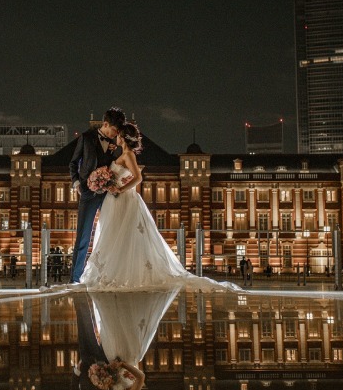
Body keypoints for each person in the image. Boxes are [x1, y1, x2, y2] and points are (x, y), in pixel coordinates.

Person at [79, 122, 241, 292]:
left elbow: (138, 178)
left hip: (123, 199)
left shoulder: (129, 155)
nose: (116, 137)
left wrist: (119, 188)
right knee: (115, 236)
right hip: (115, 200)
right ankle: (112, 273)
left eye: (118, 135)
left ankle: (119, 274)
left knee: (123, 236)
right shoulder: (122, 153)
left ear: (124, 137)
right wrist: (106, 182)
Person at [69, 107, 127, 283]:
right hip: (88, 192)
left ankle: (110, 276)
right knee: (83, 236)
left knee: (111, 234)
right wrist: (77, 183)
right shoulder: (86, 138)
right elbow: (73, 162)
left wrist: (115, 149)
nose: (115, 134)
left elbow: (122, 162)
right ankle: (75, 279)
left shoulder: (115, 143)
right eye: (114, 130)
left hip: (109, 194)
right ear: (105, 124)